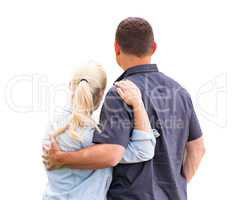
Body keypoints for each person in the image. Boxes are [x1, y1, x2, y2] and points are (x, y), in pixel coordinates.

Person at [44, 17, 206, 200]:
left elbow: (111, 153)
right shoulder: (180, 93)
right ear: (153, 48)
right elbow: (198, 149)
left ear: (116, 48)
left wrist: (62, 158)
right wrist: (175, 187)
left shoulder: (120, 93)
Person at [42, 63, 158, 200]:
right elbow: (144, 150)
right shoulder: (92, 136)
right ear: (102, 94)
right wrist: (137, 104)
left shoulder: (54, 125)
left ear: (70, 85)